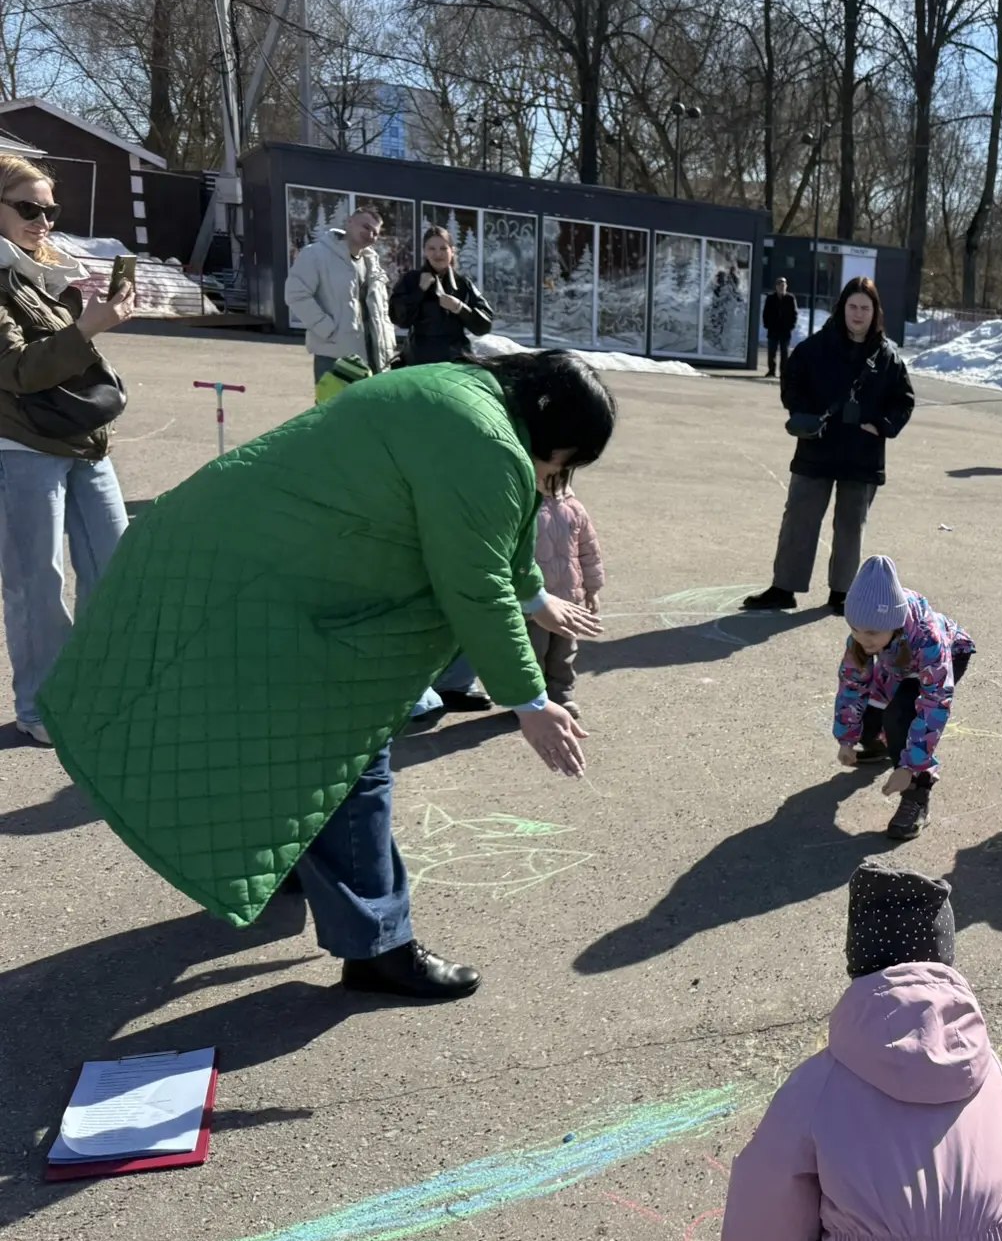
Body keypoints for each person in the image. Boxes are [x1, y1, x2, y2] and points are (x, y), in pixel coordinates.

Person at [36, 352, 611, 999]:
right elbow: (475, 580)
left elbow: (492, 532)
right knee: (343, 753)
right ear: (547, 426)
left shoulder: (458, 391)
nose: (553, 477)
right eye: (561, 461)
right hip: (262, 590)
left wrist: (533, 597)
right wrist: (530, 700)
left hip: (231, 557)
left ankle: (286, 854)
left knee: (279, 742)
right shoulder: (489, 445)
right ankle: (378, 946)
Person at [719, 860, 1002, 1241]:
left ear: (858, 961)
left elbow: (765, 1202)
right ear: (946, 957)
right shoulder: (986, 1068)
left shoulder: (818, 1084)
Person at [0, 154, 136, 745]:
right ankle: (39, 704)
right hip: (26, 444)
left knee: (115, 566)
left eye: (49, 209)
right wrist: (86, 330)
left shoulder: (43, 271)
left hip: (85, 441)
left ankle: (104, 684)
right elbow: (19, 369)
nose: (43, 220)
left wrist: (92, 313)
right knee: (38, 580)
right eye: (28, 208)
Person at [743, 277, 915, 616]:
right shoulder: (815, 347)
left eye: (865, 308)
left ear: (875, 312)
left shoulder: (887, 357)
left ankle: (842, 592)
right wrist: (806, 416)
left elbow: (904, 400)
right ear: (842, 308)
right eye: (852, 306)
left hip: (862, 454)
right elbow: (792, 383)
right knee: (799, 517)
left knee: (851, 524)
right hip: (816, 449)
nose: (858, 314)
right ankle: (783, 588)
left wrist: (882, 425)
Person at [833, 554, 975, 841]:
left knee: (900, 716)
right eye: (854, 629)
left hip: (942, 661)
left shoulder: (928, 638)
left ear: (894, 623)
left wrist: (910, 766)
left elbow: (935, 703)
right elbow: (851, 684)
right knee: (869, 717)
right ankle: (882, 745)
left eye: (871, 632)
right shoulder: (866, 636)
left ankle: (917, 793)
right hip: (898, 664)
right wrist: (847, 738)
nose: (863, 639)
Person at [284, 204, 396, 384]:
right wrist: (327, 329)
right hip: (335, 356)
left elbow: (381, 309)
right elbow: (296, 294)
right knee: (333, 409)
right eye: (366, 227)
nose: (370, 235)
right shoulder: (316, 255)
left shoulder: (372, 263)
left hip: (374, 357)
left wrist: (388, 342)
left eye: (375, 233)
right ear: (349, 222)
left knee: (371, 411)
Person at [530, 464, 603, 722]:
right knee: (533, 652)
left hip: (570, 599)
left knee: (563, 654)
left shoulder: (574, 509)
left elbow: (588, 551)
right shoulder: (526, 508)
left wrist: (592, 590)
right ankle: (533, 699)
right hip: (535, 602)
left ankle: (560, 695)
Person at [388, 223, 493, 365]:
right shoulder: (411, 280)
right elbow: (399, 319)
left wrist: (460, 308)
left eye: (443, 248)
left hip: (455, 361)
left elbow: (484, 326)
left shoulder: (463, 284)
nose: (438, 254)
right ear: (425, 251)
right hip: (418, 361)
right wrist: (419, 291)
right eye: (432, 248)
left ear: (452, 251)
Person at [763, 274, 798, 379]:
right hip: (773, 329)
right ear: (776, 287)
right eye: (779, 285)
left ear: (786, 286)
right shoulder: (770, 298)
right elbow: (765, 313)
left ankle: (784, 372)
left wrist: (791, 326)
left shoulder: (790, 298)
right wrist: (767, 324)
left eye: (783, 285)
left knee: (784, 353)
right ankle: (771, 371)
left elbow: (794, 313)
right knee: (771, 352)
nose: (782, 287)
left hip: (785, 330)